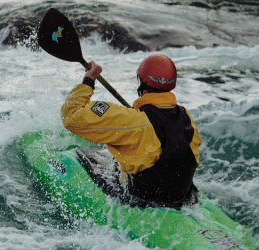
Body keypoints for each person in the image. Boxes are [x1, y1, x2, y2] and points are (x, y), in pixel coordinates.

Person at [61, 54, 201, 208]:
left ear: (142, 82)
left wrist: (89, 79)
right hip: (181, 194)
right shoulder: (186, 117)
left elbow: (72, 116)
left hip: (143, 198)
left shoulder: (132, 120)